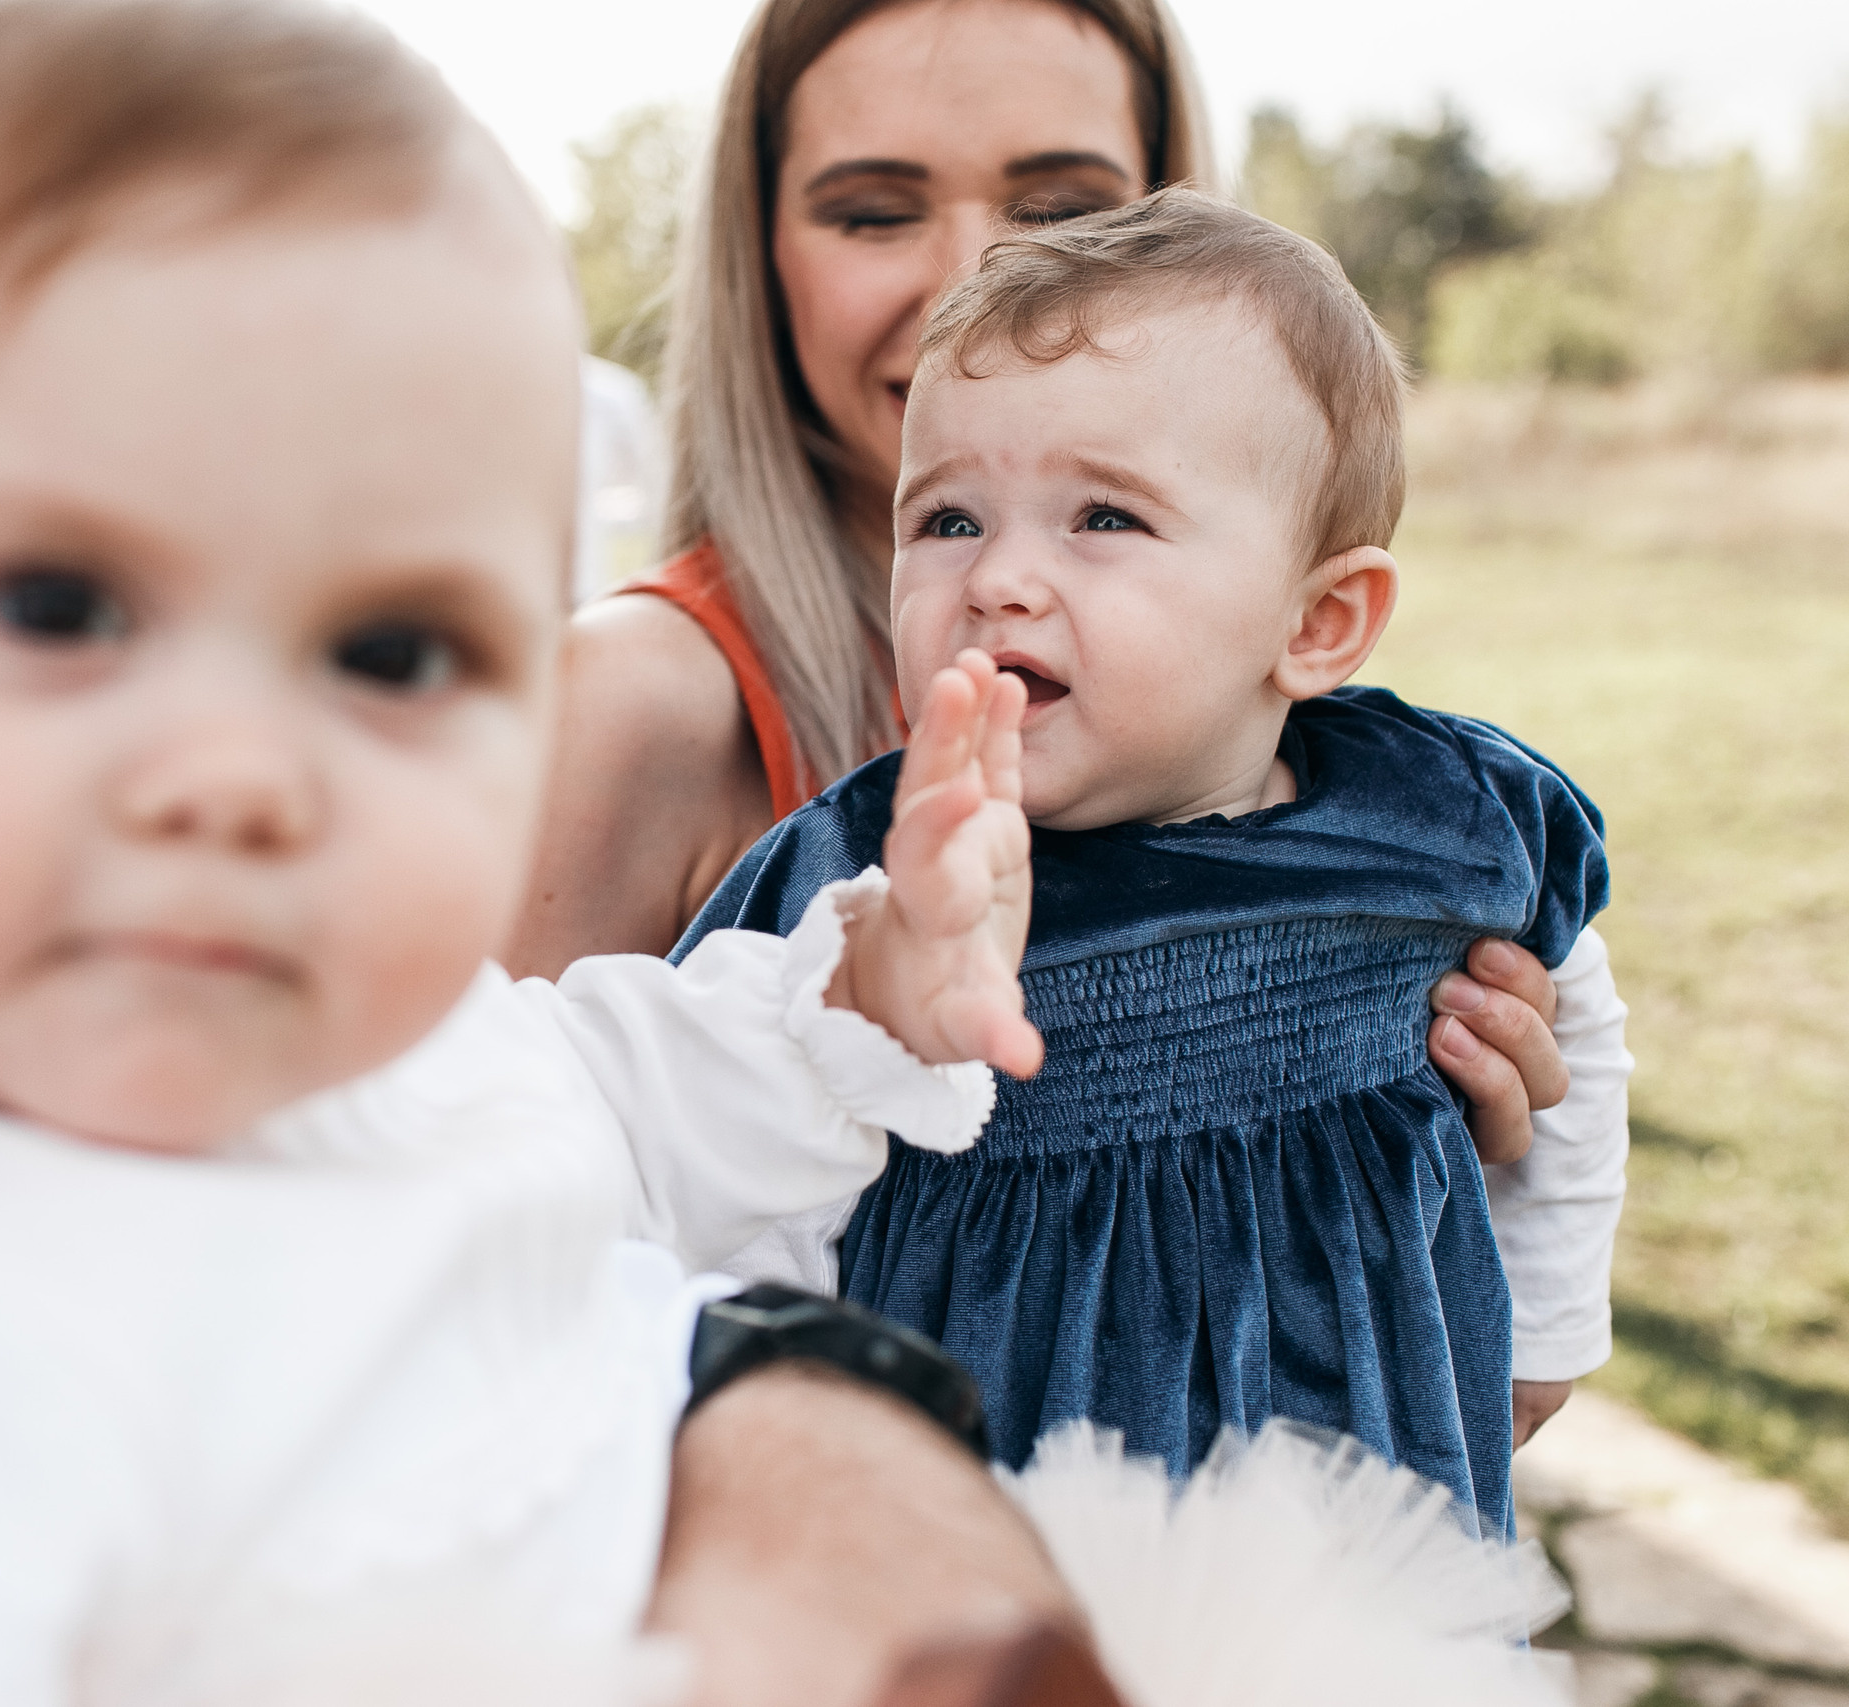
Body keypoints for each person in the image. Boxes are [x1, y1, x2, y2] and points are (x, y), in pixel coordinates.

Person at [0, 2, 1081, 1698]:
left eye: (389, 655)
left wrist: (870, 980)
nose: (239, 778)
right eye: (58, 607)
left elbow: (622, 1088)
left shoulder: (387, 1042)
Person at [511, 0, 1627, 1452]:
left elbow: (1573, 997)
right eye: (950, 518)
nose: (1005, 575)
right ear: (757, 256)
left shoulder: (1423, 798)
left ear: (1315, 625)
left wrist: (1529, 1294)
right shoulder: (829, 852)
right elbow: (586, 1208)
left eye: (1056, 207)